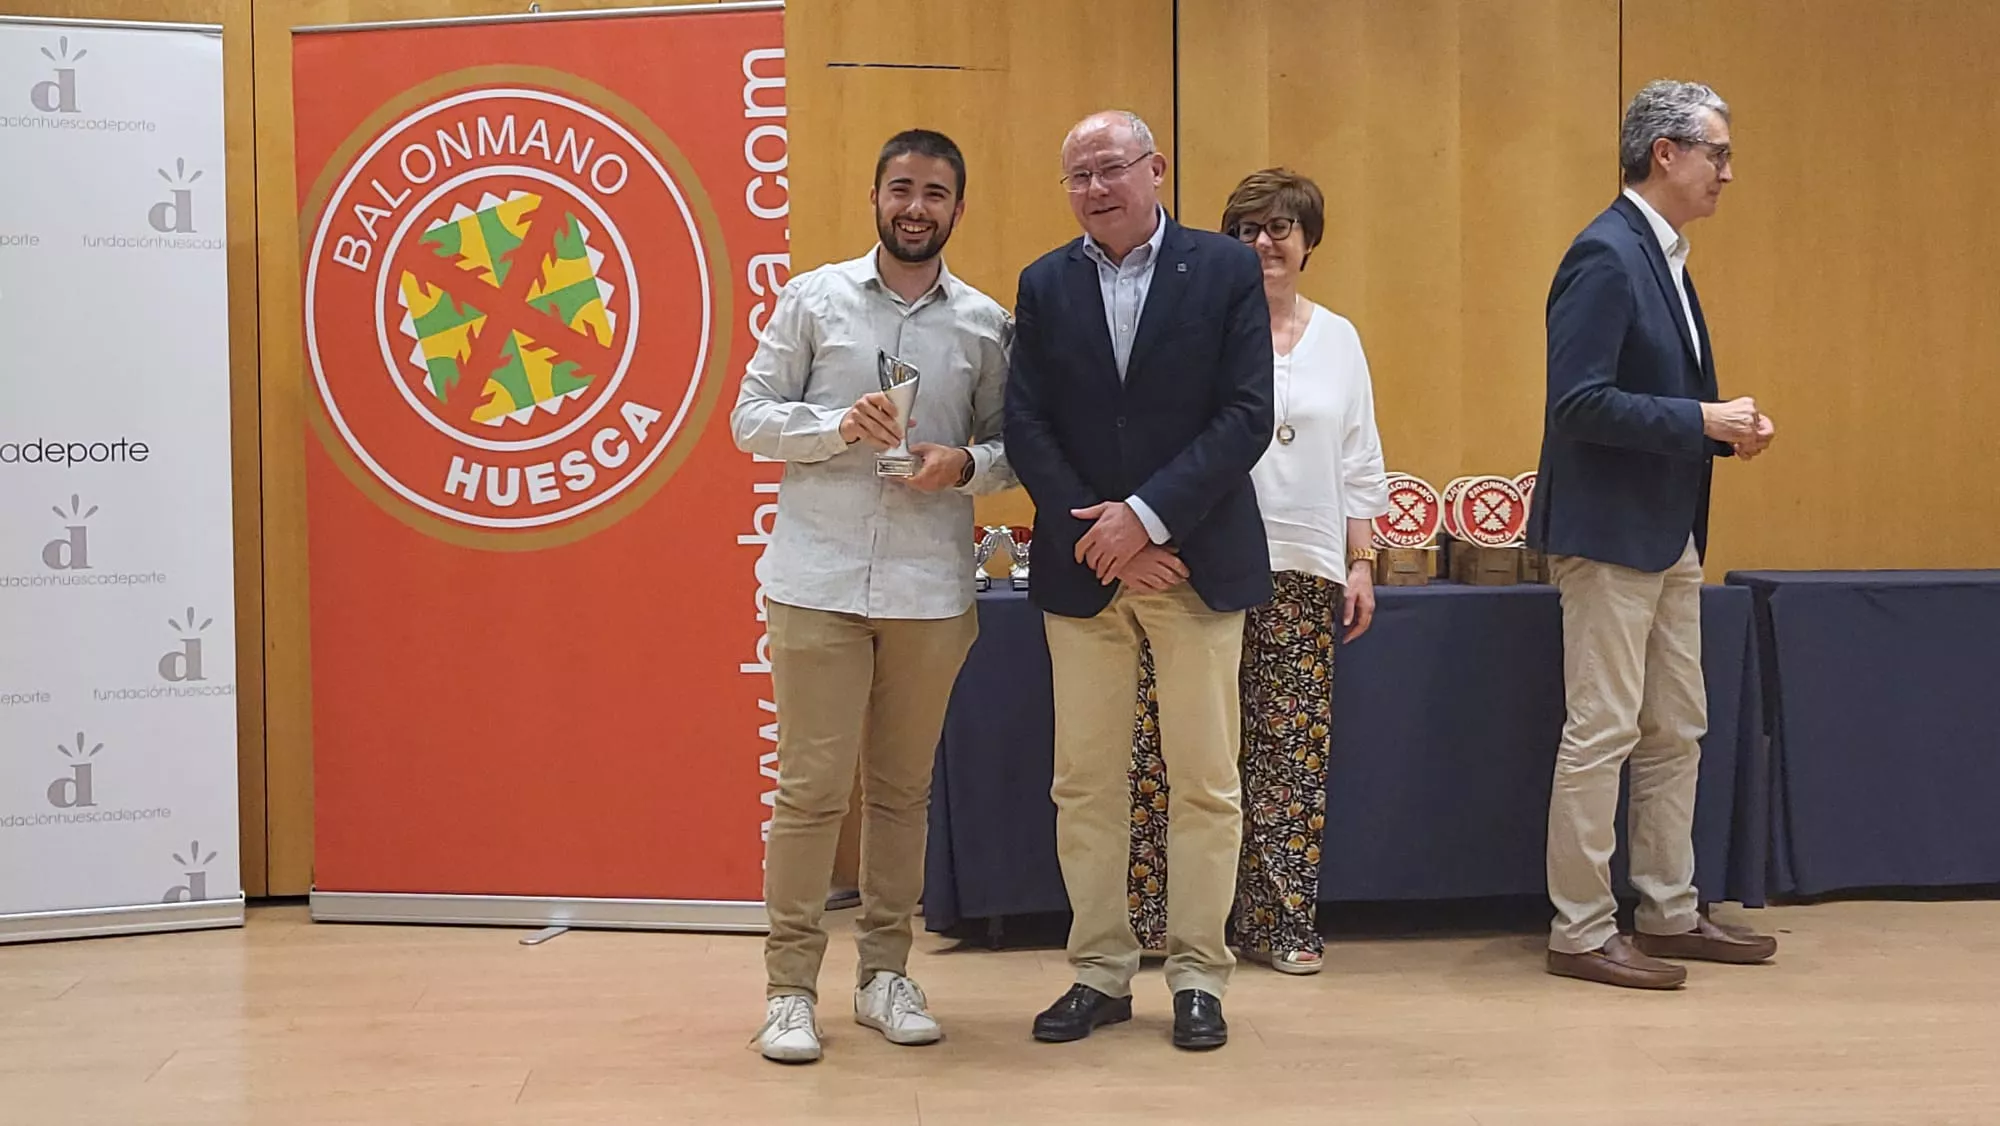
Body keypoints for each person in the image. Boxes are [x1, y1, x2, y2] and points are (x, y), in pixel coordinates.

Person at [731, 128, 1015, 1061]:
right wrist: (832, 425)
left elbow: (1016, 448)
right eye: (902, 188)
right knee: (810, 792)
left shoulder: (983, 323)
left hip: (930, 591)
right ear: (876, 196)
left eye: (936, 193)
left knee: (901, 794)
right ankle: (789, 990)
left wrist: (961, 463)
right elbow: (750, 419)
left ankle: (885, 975)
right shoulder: (813, 298)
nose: (917, 207)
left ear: (957, 210)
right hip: (816, 581)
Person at [1004, 110, 1273, 1051]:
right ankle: (1100, 972)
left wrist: (1147, 519)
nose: (1095, 188)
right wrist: (1104, 533)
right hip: (1085, 570)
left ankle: (1200, 976)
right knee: (1084, 783)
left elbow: (1244, 416)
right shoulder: (1044, 283)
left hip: (1194, 561)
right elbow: (1027, 423)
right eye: (1077, 175)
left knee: (1205, 780)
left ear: (1156, 169)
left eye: (1112, 168)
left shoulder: (1228, 269)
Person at [1528, 80, 1778, 991]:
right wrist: (1702, 418)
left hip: (1668, 528)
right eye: (1717, 153)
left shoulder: (1662, 254)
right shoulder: (1605, 253)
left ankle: (1668, 908)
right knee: (1602, 731)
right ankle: (1581, 928)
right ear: (1664, 153)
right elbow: (1578, 400)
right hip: (1607, 533)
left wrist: (1713, 430)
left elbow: (1649, 398)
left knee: (1678, 725)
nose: (1727, 172)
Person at [1125, 168, 1388, 977]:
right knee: (1178, 749)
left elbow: (1358, 454)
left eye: (1280, 228)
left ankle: (1277, 922)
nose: (1264, 243)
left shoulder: (1338, 337)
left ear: (1309, 242)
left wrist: (1362, 558)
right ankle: (1161, 921)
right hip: (1198, 565)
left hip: (1303, 565)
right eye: (1246, 229)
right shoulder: (1196, 326)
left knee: (1287, 756)